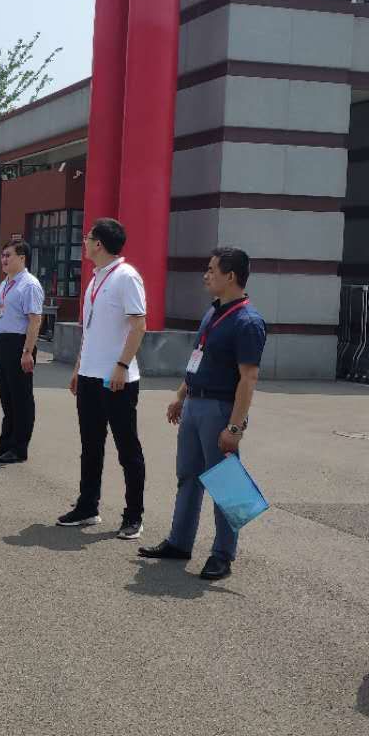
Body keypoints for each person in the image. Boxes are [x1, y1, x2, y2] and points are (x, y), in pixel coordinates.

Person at [138, 247, 266, 581]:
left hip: (220, 409)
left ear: (231, 276)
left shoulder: (247, 321)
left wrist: (234, 427)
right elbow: (199, 358)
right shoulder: (213, 312)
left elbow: (249, 378)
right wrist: (182, 396)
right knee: (188, 476)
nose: (206, 276)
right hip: (196, 404)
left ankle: (223, 555)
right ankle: (179, 542)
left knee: (225, 482)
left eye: (211, 270)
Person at [57, 218, 147, 537]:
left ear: (99, 244)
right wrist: (79, 368)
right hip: (90, 376)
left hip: (117, 378)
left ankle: (133, 516)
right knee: (90, 446)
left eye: (87, 238)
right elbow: (91, 330)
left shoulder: (126, 277)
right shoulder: (96, 278)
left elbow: (139, 326)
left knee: (127, 448)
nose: (84, 242)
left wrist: (121, 365)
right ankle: (87, 507)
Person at [0, 240, 44, 464]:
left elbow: (35, 320)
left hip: (19, 344)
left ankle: (19, 447)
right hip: (2, 345)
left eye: (8, 255)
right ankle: (6, 441)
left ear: (22, 258)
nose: (4, 259)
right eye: (3, 256)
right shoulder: (6, 283)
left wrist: (27, 351)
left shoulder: (29, 285)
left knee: (21, 398)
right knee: (7, 397)